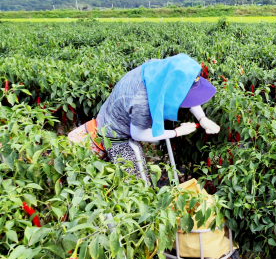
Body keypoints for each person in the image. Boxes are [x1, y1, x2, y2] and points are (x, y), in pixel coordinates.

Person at [68, 54, 220, 180]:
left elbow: (182, 88)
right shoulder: (143, 101)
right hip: (116, 136)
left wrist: (202, 118)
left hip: (108, 115)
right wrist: (177, 132)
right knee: (139, 186)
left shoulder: (159, 69)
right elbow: (139, 133)